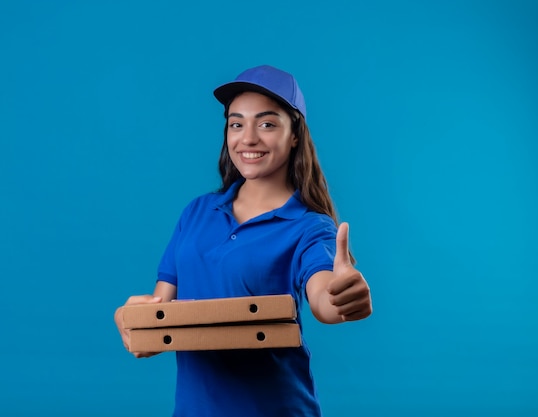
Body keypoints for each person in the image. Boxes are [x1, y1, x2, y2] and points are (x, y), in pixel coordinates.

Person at [114, 64, 372, 417]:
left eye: (267, 123)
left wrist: (341, 298)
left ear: (294, 134)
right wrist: (134, 322)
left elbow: (323, 297)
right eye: (236, 123)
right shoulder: (197, 212)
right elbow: (162, 308)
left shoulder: (310, 227)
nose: (247, 138)